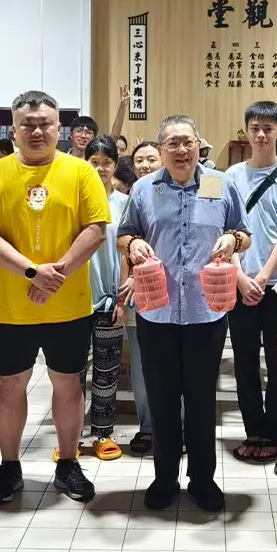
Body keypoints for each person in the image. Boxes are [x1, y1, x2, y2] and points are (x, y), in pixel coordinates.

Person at [0, 90, 110, 505]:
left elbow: (96, 229)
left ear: (59, 127)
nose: (36, 131)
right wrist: (32, 272)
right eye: (27, 125)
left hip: (68, 304)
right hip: (11, 306)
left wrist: (56, 274)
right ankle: (9, 466)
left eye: (45, 123)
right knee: (10, 384)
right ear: (12, 129)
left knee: (67, 384)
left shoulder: (81, 172)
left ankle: (68, 463)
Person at [120, 114, 249, 512]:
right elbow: (125, 233)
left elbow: (243, 232)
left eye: (187, 142)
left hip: (205, 313)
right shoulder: (143, 189)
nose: (181, 150)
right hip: (156, 312)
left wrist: (231, 238)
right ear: (160, 150)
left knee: (199, 400)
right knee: (161, 400)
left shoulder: (218, 183)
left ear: (199, 146)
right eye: (172, 143)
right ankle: (163, 478)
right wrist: (133, 245)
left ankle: (202, 479)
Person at [224, 101, 277, 465]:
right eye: (255, 127)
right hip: (239, 284)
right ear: (246, 131)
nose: (261, 134)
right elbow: (224, 230)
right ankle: (253, 429)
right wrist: (241, 277)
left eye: (269, 128)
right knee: (244, 361)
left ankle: (274, 431)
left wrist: (265, 275)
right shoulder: (230, 176)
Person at [84, 136, 131, 459]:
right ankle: (70, 435)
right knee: (70, 374)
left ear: (115, 165)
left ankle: (102, 434)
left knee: (106, 371)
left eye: (106, 162)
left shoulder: (125, 204)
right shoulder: (74, 199)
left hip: (109, 299)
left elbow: (128, 253)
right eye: (94, 162)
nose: (100, 168)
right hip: (71, 302)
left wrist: (122, 300)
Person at [123, 141, 162, 454]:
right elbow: (124, 240)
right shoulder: (135, 195)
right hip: (141, 293)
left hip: (180, 299)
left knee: (178, 368)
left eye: (152, 159)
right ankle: (148, 427)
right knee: (141, 367)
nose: (146, 165)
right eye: (140, 160)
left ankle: (180, 428)